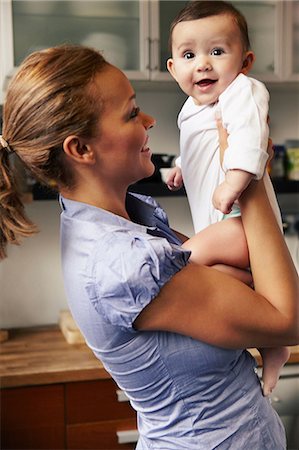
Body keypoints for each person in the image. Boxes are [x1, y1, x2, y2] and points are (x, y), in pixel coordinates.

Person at [0, 45, 298, 450]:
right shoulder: (123, 263)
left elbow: (244, 280)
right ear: (80, 150)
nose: (149, 120)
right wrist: (247, 167)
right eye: (130, 113)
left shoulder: (125, 220)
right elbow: (286, 319)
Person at [166, 0, 290, 396]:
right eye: (189, 55)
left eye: (217, 52)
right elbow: (202, 139)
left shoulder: (244, 91)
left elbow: (251, 136)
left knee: (188, 262)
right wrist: (182, 166)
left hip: (239, 215)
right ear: (173, 67)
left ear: (245, 60)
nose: (202, 64)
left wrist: (235, 179)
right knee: (238, 285)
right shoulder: (190, 108)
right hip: (214, 215)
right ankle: (273, 342)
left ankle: (275, 335)